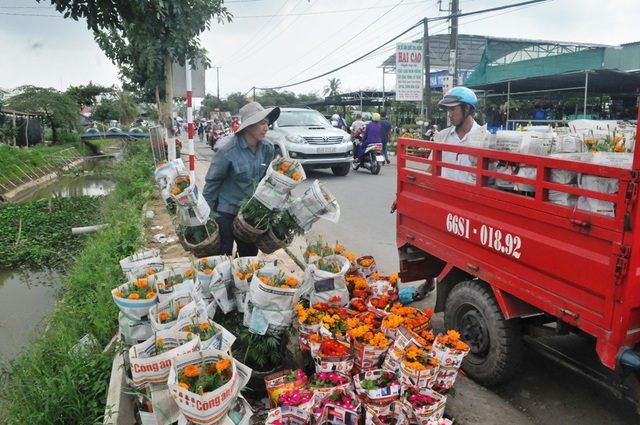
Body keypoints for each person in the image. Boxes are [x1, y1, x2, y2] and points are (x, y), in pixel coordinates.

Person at [202, 102, 280, 256]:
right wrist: (206, 217)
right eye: (261, 123)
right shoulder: (227, 150)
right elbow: (212, 183)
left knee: (249, 253)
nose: (266, 128)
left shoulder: (268, 148)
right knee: (223, 252)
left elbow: (266, 180)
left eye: (267, 123)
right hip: (226, 210)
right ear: (248, 126)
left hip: (249, 213)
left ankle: (245, 280)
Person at [432, 86, 480, 181]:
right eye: (448, 110)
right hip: (443, 192)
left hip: (468, 194)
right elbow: (432, 166)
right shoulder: (442, 136)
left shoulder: (484, 138)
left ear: (466, 108)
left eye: (453, 109)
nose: (449, 115)